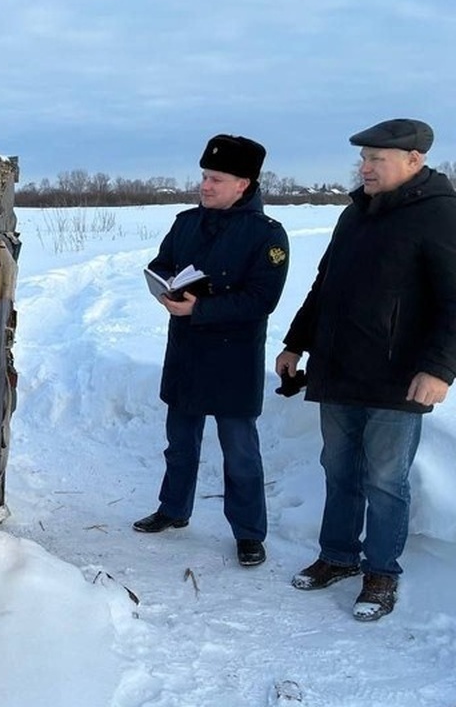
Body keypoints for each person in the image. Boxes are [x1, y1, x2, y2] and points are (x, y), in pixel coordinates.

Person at [277, 118, 456, 621]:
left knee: (385, 480)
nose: (365, 167)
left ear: (415, 160)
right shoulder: (354, 213)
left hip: (397, 376)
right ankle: (337, 556)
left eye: (377, 158)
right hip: (337, 368)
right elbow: (323, 285)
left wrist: (439, 369)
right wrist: (296, 343)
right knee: (338, 470)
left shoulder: (441, 214)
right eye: (364, 158)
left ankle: (381, 572)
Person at [133, 134, 290, 570]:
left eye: (216, 179)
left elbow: (261, 299)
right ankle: (173, 509)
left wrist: (199, 308)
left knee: (240, 453)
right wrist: (164, 288)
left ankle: (249, 533)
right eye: (204, 176)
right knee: (180, 442)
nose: (205, 185)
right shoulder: (186, 223)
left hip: (233, 360)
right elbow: (163, 263)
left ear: (243, 184)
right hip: (186, 353)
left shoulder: (267, 235)